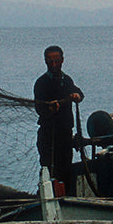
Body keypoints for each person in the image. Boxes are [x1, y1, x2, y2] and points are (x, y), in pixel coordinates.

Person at [34, 44, 83, 195]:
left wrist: (76, 96)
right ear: (45, 62)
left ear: (62, 60)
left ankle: (67, 199)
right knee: (49, 170)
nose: (53, 64)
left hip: (65, 134)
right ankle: (48, 198)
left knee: (65, 168)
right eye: (50, 61)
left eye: (56, 61)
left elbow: (79, 93)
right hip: (48, 135)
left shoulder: (67, 80)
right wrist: (49, 109)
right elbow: (39, 109)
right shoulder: (41, 83)